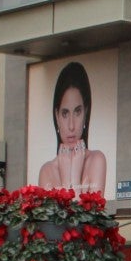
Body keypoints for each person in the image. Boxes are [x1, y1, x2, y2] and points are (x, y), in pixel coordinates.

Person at [37, 61, 107, 194]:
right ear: (56, 116)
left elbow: (92, 215)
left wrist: (74, 178)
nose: (71, 125)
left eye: (77, 112)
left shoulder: (97, 160)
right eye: (64, 113)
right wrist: (68, 181)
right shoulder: (47, 171)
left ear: (86, 113)